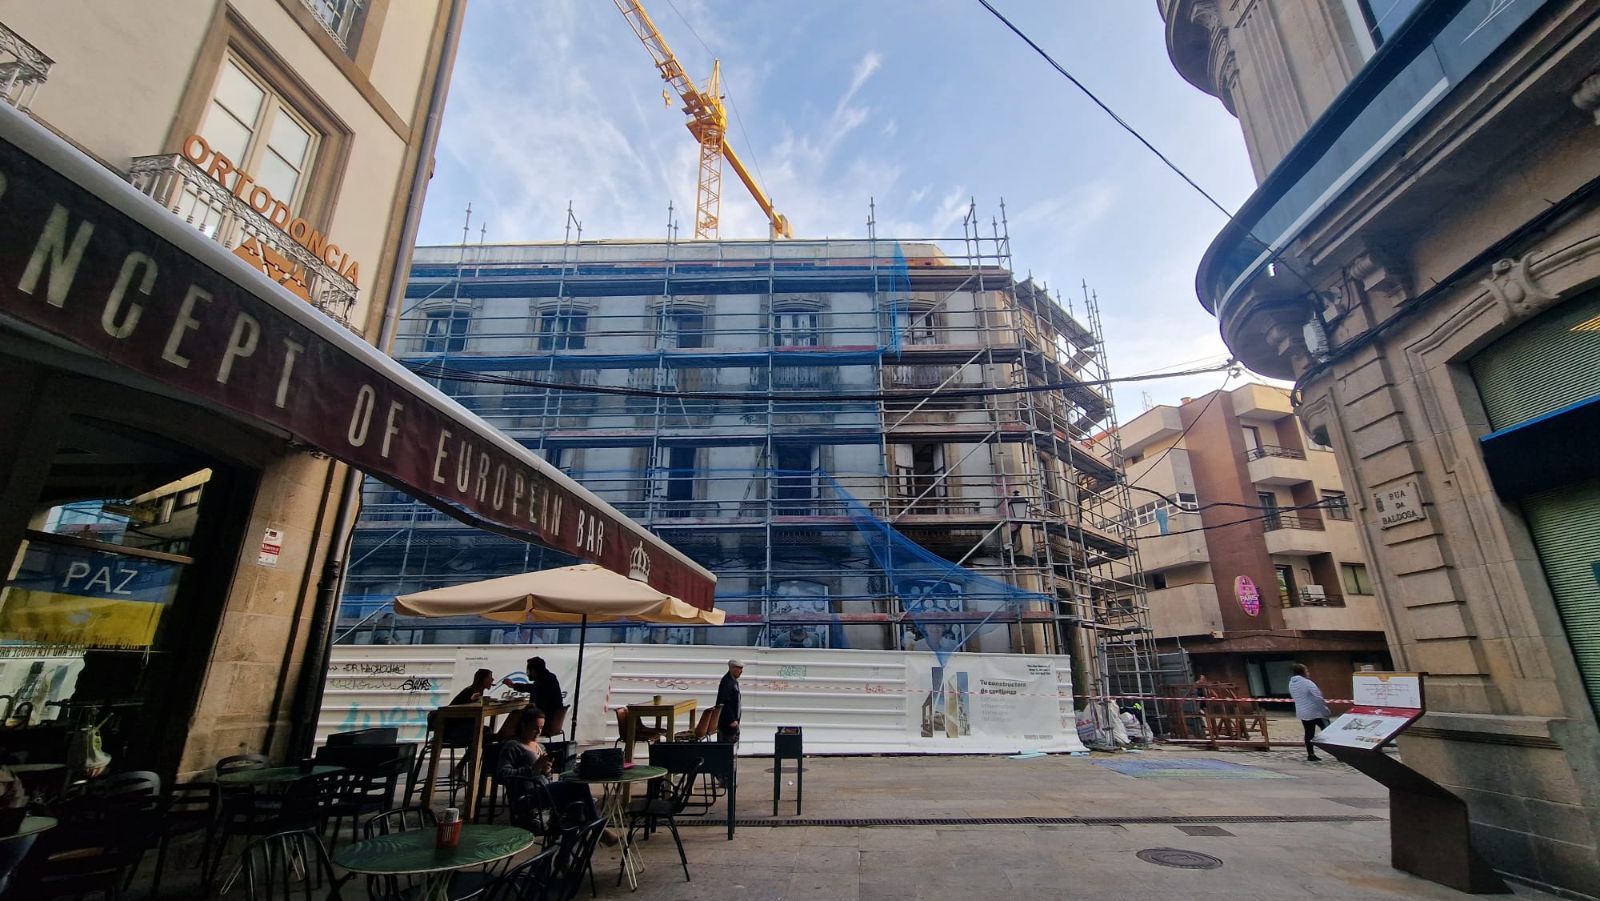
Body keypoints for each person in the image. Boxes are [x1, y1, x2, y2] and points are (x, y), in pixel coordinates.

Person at [499, 656, 565, 739]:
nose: (528, 674)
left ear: (533, 671)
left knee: (516, 714)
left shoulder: (543, 681)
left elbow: (532, 689)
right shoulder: (549, 678)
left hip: (545, 721)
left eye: (528, 671)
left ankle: (504, 737)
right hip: (550, 720)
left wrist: (513, 685)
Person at [1288, 663, 1332, 761]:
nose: (1308, 672)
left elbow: (1294, 696)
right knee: (1329, 731)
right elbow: (1318, 697)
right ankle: (1338, 753)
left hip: (1303, 712)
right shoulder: (1307, 683)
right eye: (1307, 670)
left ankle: (1311, 754)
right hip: (1316, 712)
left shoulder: (1291, 683)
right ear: (1303, 672)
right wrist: (1325, 710)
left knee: (1308, 733)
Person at [716, 659, 743, 744]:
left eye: (741, 669)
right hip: (727, 723)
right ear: (732, 668)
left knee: (733, 747)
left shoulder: (734, 681)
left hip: (734, 721)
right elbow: (723, 702)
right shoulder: (727, 682)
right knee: (727, 746)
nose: (741, 671)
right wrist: (731, 720)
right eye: (739, 668)